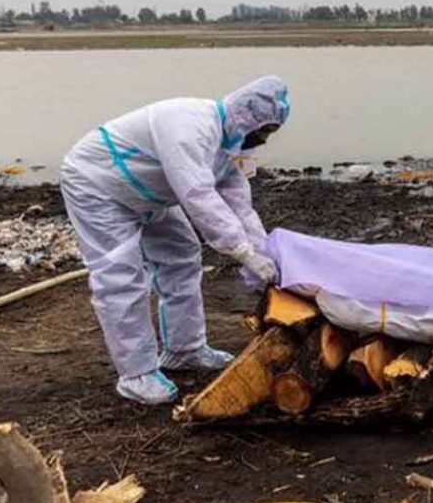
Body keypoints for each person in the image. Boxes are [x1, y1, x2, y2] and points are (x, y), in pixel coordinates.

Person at [60, 76, 291, 405]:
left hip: (150, 192)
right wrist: (241, 252)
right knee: (120, 275)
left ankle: (185, 350)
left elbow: (239, 204)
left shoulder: (233, 145)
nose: (265, 140)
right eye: (265, 131)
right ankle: (136, 373)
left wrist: (264, 253)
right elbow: (197, 194)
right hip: (99, 185)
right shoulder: (190, 125)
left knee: (182, 254)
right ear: (248, 116)